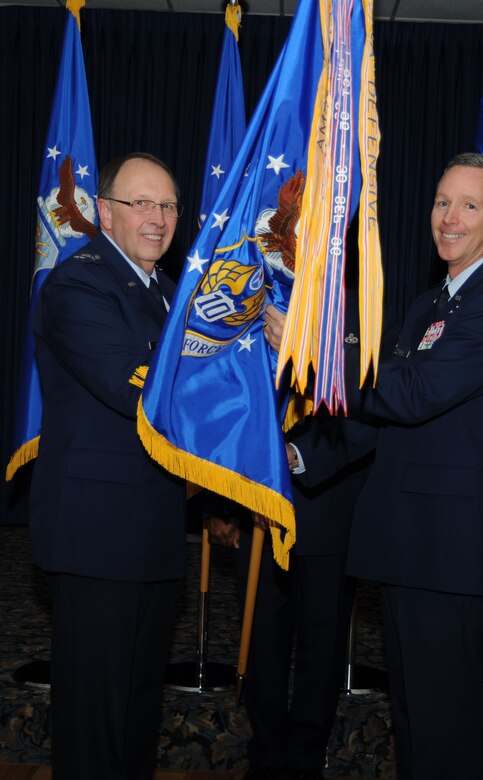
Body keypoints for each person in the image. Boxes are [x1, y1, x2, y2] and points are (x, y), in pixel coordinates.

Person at [338, 152, 483, 780]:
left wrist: (321, 348)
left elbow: (412, 393)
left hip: (449, 552)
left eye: (469, 206)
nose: (449, 218)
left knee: (447, 727)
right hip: (409, 542)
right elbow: (385, 418)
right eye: (440, 202)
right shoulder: (433, 302)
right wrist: (295, 459)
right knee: (415, 719)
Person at [29, 152, 188, 780]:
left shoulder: (170, 294)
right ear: (104, 213)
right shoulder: (77, 285)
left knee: (135, 719)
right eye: (140, 203)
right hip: (96, 538)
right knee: (94, 727)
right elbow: (140, 391)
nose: (157, 217)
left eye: (169, 205)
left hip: (150, 531)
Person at [206, 294, 381, 780]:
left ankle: (306, 758)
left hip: (326, 505)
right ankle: (265, 752)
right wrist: (223, 502)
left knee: (321, 647)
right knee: (262, 638)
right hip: (256, 502)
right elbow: (228, 397)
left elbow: (371, 412)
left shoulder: (360, 308)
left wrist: (295, 456)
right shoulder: (253, 299)